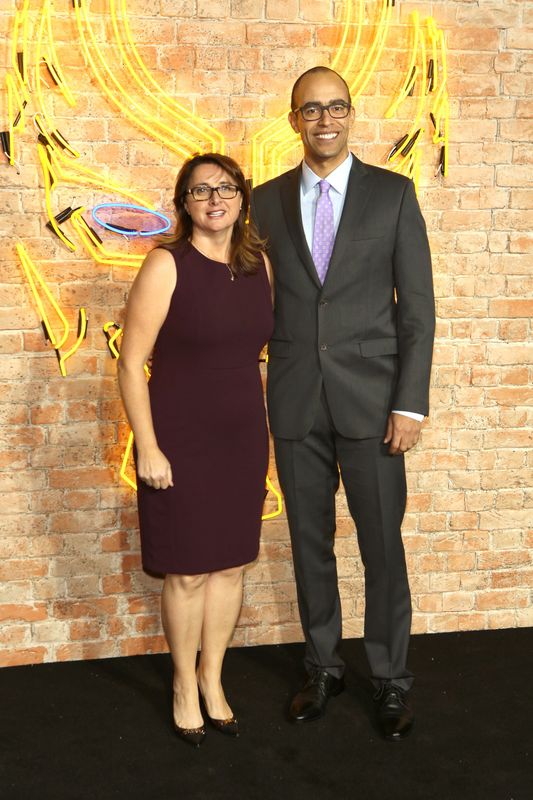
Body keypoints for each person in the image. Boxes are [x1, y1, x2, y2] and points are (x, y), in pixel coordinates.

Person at [250, 66, 435, 740]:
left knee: (381, 546)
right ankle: (322, 666)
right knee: (308, 545)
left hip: (374, 404)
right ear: (292, 118)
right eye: (310, 109)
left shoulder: (392, 195)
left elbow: (416, 309)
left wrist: (408, 404)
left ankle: (388, 679)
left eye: (336, 108)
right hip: (296, 400)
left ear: (350, 114)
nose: (324, 120)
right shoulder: (264, 202)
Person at [118, 153, 274, 747]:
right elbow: (132, 364)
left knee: (231, 565)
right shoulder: (165, 265)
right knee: (186, 573)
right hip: (179, 436)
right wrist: (148, 448)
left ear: (242, 197)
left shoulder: (262, 264)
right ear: (184, 203)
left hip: (241, 436)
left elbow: (262, 352)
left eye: (226, 188)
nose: (215, 200)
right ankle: (183, 684)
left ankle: (214, 680)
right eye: (201, 191)